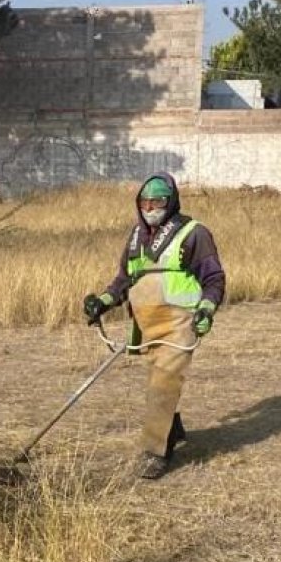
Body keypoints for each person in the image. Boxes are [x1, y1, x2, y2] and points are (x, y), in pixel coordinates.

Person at [83, 173, 226, 479]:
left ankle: (154, 452)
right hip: (146, 325)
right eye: (145, 201)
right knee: (160, 383)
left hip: (179, 322)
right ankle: (172, 429)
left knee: (163, 382)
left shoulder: (193, 233)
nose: (151, 207)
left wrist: (206, 310)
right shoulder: (136, 237)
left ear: (171, 201)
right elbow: (124, 279)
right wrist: (103, 302)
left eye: (158, 201)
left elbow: (214, 279)